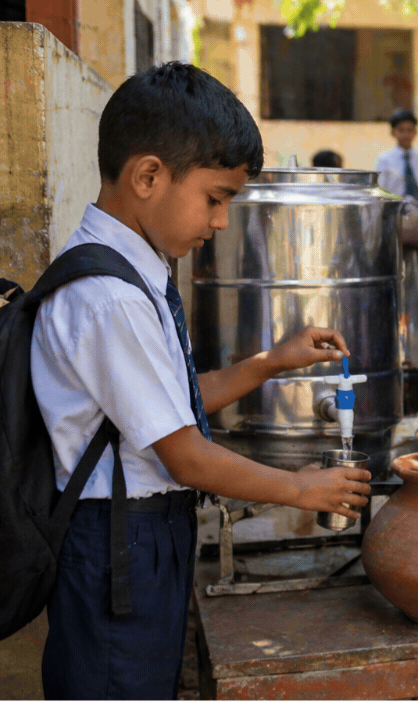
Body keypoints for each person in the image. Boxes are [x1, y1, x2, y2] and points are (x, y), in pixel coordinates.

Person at [31, 63, 372, 700]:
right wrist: (301, 489)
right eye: (215, 199)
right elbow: (184, 454)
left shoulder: (137, 270)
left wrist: (270, 362)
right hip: (115, 548)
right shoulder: (108, 298)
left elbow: (170, 409)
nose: (219, 223)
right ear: (148, 176)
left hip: (141, 536)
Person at [375, 108, 418, 205]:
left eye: (410, 130)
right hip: (395, 210)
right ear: (393, 132)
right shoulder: (384, 160)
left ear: (415, 132)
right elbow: (380, 192)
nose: (406, 135)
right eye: (401, 130)